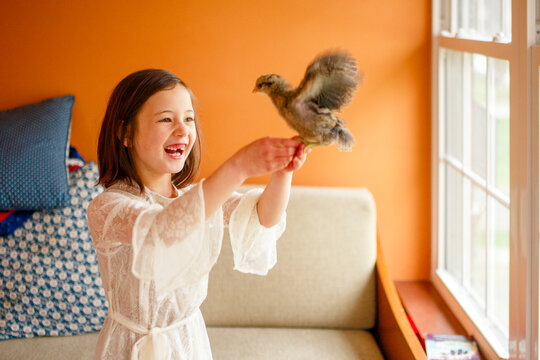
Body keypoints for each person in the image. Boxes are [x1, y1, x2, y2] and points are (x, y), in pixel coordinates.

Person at [86, 69, 309, 360]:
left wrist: (283, 172)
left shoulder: (194, 197)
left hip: (188, 341)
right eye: (166, 119)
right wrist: (238, 166)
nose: (182, 130)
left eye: (188, 118)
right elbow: (161, 230)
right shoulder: (108, 207)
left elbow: (263, 217)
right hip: (131, 347)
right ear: (125, 132)